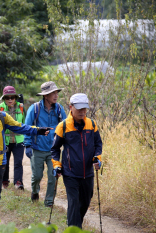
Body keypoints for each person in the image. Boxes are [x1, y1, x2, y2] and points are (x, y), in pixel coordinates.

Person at [51, 93, 102, 228]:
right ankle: (74, 228)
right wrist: (56, 165)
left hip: (88, 173)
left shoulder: (92, 124)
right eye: (79, 109)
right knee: (73, 202)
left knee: (85, 202)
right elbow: (55, 149)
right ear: (71, 107)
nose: (82, 112)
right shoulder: (63, 126)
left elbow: (98, 145)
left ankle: (73, 223)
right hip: (70, 173)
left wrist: (98, 158)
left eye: (84, 108)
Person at [24, 81, 67, 207]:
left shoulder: (59, 109)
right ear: (45, 95)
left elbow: (65, 126)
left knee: (53, 176)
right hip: (37, 148)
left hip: (53, 149)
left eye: (56, 92)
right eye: (52, 93)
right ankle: (35, 191)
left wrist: (66, 143)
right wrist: (27, 145)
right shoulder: (35, 108)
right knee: (37, 176)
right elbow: (27, 127)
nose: (56, 95)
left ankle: (49, 202)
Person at [0, 86, 26, 190]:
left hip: (19, 140)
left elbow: (25, 123)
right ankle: (5, 181)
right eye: (7, 98)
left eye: (12, 97)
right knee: (5, 162)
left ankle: (18, 182)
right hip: (5, 141)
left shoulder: (21, 107)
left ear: (15, 98)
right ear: (4, 98)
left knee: (18, 162)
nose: (10, 100)